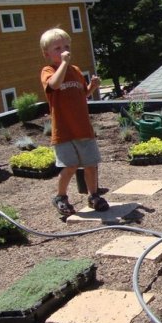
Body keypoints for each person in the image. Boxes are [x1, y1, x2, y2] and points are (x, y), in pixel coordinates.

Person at [40, 27, 108, 216]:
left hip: (83, 128)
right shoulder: (48, 71)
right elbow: (54, 85)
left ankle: (94, 195)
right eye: (58, 48)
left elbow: (80, 96)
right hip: (64, 130)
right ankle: (60, 197)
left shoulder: (76, 71)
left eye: (67, 46)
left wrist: (91, 87)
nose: (64, 51)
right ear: (47, 54)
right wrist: (63, 63)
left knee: (91, 164)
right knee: (69, 166)